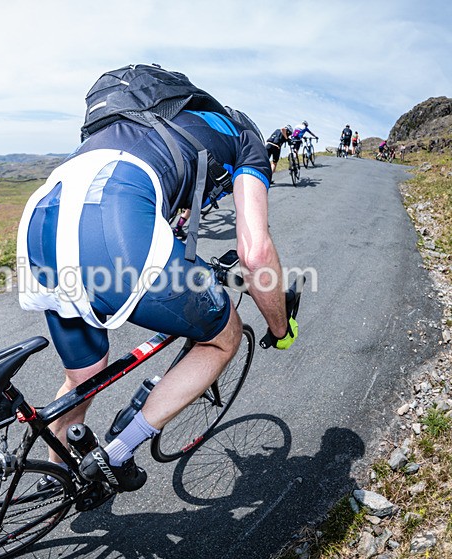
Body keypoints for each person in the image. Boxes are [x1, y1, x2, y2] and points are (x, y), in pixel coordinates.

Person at [16, 73, 299, 492]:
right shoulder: (248, 144)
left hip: (42, 216)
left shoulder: (166, 123)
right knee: (223, 337)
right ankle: (116, 454)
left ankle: (59, 480)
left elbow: (173, 217)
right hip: (115, 211)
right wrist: (280, 327)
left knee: (84, 375)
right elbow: (255, 252)